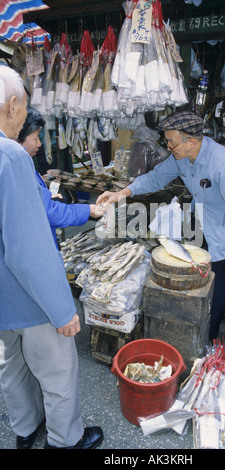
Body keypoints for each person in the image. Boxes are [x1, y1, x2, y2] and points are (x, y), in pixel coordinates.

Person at [0, 64, 103, 449]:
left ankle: (26, 431)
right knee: (58, 371)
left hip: (2, 299)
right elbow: (29, 248)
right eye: (25, 107)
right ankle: (65, 441)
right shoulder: (10, 156)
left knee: (13, 367)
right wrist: (62, 310)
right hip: (29, 296)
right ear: (13, 106)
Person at [96, 111, 225, 340]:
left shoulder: (222, 163)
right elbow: (156, 177)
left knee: (217, 287)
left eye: (171, 142)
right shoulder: (181, 157)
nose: (168, 147)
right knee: (195, 277)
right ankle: (195, 324)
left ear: (191, 140)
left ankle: (207, 338)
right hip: (198, 225)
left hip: (222, 233)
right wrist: (121, 193)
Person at [18, 107, 105, 249]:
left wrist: (47, 197)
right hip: (33, 244)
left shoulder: (20, 163)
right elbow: (50, 213)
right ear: (19, 137)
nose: (39, 144)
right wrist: (88, 210)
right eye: (35, 138)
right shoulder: (19, 168)